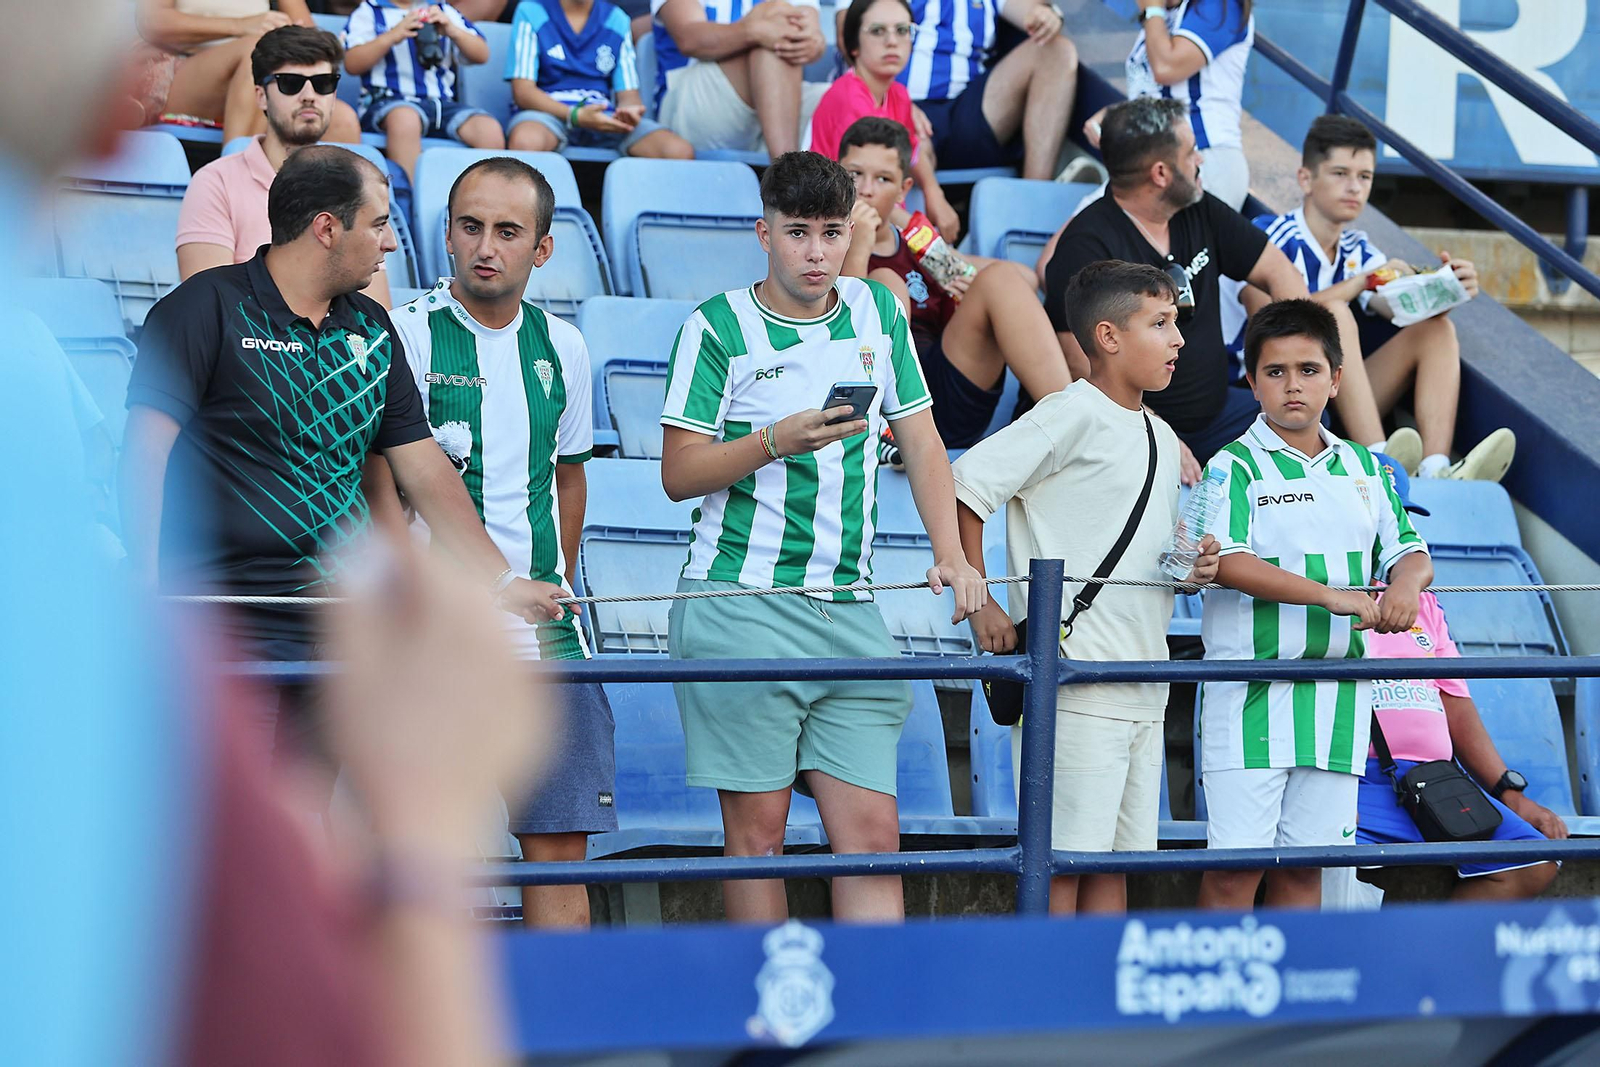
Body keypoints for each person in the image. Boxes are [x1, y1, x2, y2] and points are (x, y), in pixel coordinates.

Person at [120, 146, 564, 771]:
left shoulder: (373, 328)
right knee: (222, 838)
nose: (390, 245)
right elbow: (146, 453)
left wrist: (498, 579)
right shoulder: (204, 307)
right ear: (327, 227)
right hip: (220, 630)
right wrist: (147, 583)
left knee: (309, 831)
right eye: (379, 223)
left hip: (338, 633)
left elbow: (426, 469)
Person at [659, 151, 985, 924]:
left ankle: (868, 1027)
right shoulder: (716, 325)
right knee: (758, 835)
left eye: (831, 233)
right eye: (797, 232)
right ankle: (773, 1022)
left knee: (874, 834)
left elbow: (926, 441)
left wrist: (953, 554)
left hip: (853, 609)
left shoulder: (877, 311)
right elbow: (678, 474)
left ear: (851, 234)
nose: (814, 251)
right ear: (763, 231)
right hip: (738, 603)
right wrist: (775, 439)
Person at [374, 157, 618, 928]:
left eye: (508, 231)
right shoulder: (406, 335)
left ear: (542, 249)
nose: (486, 245)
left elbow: (569, 477)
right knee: (426, 853)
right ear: (445, 233)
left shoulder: (566, 348)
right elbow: (377, 484)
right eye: (470, 226)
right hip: (435, 631)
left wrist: (558, 575)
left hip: (548, 635)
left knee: (558, 850)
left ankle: (571, 1037)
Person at [952, 261, 1220, 916]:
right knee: (1063, 866)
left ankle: (1098, 1009)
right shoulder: (1069, 412)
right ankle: (1048, 1008)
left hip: (1141, 683)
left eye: (1176, 323)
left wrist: (1192, 568)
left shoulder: (1159, 433)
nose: (1177, 338)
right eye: (1159, 323)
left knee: (1115, 869)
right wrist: (980, 599)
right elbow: (966, 486)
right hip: (1074, 688)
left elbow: (1147, 554)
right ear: (1107, 336)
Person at [1193, 299, 1433, 912]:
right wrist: (1334, 598)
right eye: (1275, 372)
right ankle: (1217, 1007)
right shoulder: (1233, 466)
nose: (1292, 385)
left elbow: (1409, 552)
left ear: (1337, 378)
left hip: (1338, 697)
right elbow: (1230, 563)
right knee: (1232, 875)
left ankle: (1287, 1008)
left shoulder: (1365, 468)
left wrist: (1406, 586)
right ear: (1251, 381)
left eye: (1307, 369)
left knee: (1307, 875)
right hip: (1248, 695)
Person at [1040, 97, 1388, 483]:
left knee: (1304, 419)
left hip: (1219, 414)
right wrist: (1155, 433)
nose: (1200, 160)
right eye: (1191, 153)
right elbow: (1080, 366)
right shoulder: (1086, 247)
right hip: (1132, 426)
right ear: (1160, 173)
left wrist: (1295, 362)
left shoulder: (1199, 207)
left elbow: (1278, 272)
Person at [1236, 115, 1515, 482]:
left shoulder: (1358, 248)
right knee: (1332, 311)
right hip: (1272, 388)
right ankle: (1379, 462)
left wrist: (1447, 289)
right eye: (1340, 173)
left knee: (1436, 330)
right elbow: (1267, 320)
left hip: (1335, 394)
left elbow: (1393, 307)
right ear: (1306, 178)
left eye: (1364, 177)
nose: (1354, 187)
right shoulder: (1267, 237)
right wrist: (1360, 283)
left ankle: (1436, 469)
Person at [1350, 457, 1563, 902]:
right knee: (1321, 867)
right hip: (1352, 778)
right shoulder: (1322, 588)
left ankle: (1429, 968)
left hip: (1434, 780)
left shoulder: (1424, 602)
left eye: (1400, 518)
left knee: (1534, 861)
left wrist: (1508, 791)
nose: (1392, 531)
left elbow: (1455, 700)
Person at [838, 117, 1069, 449]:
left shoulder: (919, 246)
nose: (866, 189)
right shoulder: (824, 246)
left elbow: (1026, 278)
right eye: (854, 175)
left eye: (883, 179)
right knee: (886, 283)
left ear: (903, 190)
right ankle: (887, 432)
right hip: (878, 402)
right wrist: (858, 246)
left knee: (999, 280)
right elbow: (839, 338)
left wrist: (962, 279)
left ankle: (1072, 423)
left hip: (942, 395)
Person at [177, 26, 392, 307]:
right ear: (261, 96)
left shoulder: (361, 185)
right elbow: (206, 307)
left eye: (323, 83)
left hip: (338, 348)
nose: (308, 95)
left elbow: (376, 315)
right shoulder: (216, 182)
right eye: (290, 83)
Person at [1082, 0, 1255, 210]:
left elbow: (1166, 67)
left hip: (1202, 160)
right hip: (1157, 163)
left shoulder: (1220, 6)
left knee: (1087, 233)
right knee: (1073, 233)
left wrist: (1152, 9)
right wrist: (1116, 115)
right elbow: (1157, 94)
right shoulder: (1164, 15)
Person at [807, 0, 955, 239]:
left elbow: (914, 153)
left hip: (885, 229)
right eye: (877, 31)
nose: (892, 41)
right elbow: (867, 198)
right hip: (843, 231)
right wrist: (931, 244)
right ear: (853, 45)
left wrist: (934, 193)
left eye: (902, 30)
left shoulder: (898, 94)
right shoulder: (849, 98)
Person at [133, 0, 363, 143]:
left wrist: (290, 34)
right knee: (256, 50)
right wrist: (241, 25)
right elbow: (153, 22)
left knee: (342, 120)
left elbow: (310, 35)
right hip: (180, 72)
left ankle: (325, 215)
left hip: (256, 81)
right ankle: (236, 189)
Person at [899, 0, 1076, 181]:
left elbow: (1032, 13)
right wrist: (894, 98)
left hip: (969, 107)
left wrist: (1047, 16)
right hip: (903, 104)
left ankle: (1036, 194)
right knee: (910, 146)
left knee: (1057, 51)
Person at [505, 0, 693, 158]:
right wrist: (575, 115)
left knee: (678, 151)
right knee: (525, 141)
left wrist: (629, 113)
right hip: (548, 114)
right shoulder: (531, 10)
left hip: (603, 116)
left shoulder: (617, 18)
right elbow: (523, 92)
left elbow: (628, 95)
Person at [342, 0, 506, 180]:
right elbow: (352, 63)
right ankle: (410, 196)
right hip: (389, 101)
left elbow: (482, 54)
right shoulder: (370, 10)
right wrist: (393, 35)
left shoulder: (441, 9)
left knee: (488, 129)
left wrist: (452, 30)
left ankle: (486, 198)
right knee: (406, 119)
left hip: (441, 105)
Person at [651, 0, 828, 156]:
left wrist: (813, 44)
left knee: (842, 97)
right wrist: (756, 31)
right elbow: (690, 39)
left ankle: (838, 188)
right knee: (772, 17)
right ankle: (787, 175)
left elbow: (811, 35)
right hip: (690, 100)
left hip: (777, 98)